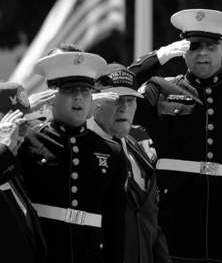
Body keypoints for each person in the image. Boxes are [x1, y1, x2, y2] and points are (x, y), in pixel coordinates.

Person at [129, 8, 222, 263]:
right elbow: (111, 88)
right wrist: (157, 57)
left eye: (210, 46)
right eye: (194, 46)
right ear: (182, 51)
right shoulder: (160, 89)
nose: (202, 53)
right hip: (171, 225)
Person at [17, 51, 127, 263]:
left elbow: (115, 223)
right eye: (69, 90)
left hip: (90, 253)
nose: (78, 97)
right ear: (52, 96)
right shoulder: (28, 141)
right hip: (43, 251)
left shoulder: (111, 151)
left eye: (85, 91)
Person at [88, 64, 171, 263]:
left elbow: (150, 220)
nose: (124, 107)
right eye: (116, 99)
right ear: (95, 101)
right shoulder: (84, 148)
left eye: (130, 100)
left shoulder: (138, 147)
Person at [0, 82, 46, 263]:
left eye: (26, 124)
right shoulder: (5, 159)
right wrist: (3, 146)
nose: (22, 133)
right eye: (14, 124)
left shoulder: (12, 167)